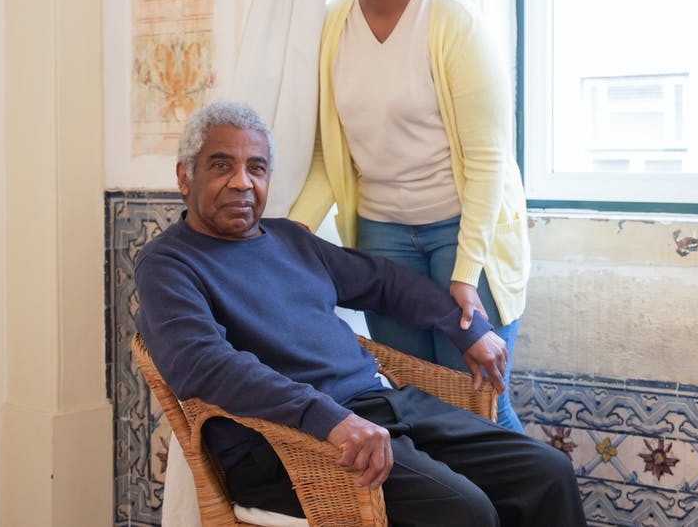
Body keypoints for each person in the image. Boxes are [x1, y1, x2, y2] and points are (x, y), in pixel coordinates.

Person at [135, 101, 585, 526]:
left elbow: (381, 282)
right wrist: (327, 418)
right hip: (284, 444)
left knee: (548, 471)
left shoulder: (290, 239)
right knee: (465, 511)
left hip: (379, 408)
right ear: (184, 177)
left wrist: (465, 327)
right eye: (221, 166)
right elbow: (203, 366)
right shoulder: (168, 265)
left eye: (256, 168)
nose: (241, 182)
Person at [288, 0, 529, 433]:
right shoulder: (330, 27)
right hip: (382, 241)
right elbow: (331, 157)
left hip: (463, 234)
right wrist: (289, 234)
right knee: (420, 403)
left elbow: (490, 162)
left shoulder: (453, 23)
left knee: (479, 402)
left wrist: (466, 275)